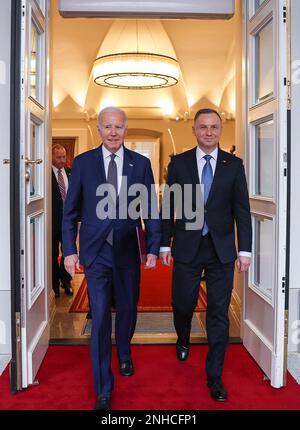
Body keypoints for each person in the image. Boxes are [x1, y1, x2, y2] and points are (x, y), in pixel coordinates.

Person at [62, 107, 161, 410]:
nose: (114, 132)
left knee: (129, 308)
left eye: (119, 126)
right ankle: (104, 386)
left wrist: (154, 247)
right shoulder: (83, 163)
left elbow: (151, 210)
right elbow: (70, 213)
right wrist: (69, 250)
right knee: (102, 315)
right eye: (108, 126)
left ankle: (125, 352)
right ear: (99, 130)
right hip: (95, 253)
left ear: (125, 129)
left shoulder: (140, 164)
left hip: (128, 250)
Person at [160, 108, 252, 402]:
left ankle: (215, 377)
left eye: (214, 127)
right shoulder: (180, 164)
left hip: (222, 250)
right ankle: (183, 337)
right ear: (195, 130)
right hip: (188, 246)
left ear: (220, 130)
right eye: (203, 127)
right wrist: (164, 243)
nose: (209, 132)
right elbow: (167, 208)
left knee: (217, 314)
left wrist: (245, 250)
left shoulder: (234, 165)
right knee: (183, 305)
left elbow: (242, 211)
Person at [52, 144, 73, 298]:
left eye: (64, 157)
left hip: (69, 222)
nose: (62, 160)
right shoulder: (45, 174)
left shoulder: (70, 172)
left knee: (68, 252)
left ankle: (66, 281)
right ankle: (54, 285)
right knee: (52, 253)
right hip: (52, 223)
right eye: (59, 157)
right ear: (52, 157)